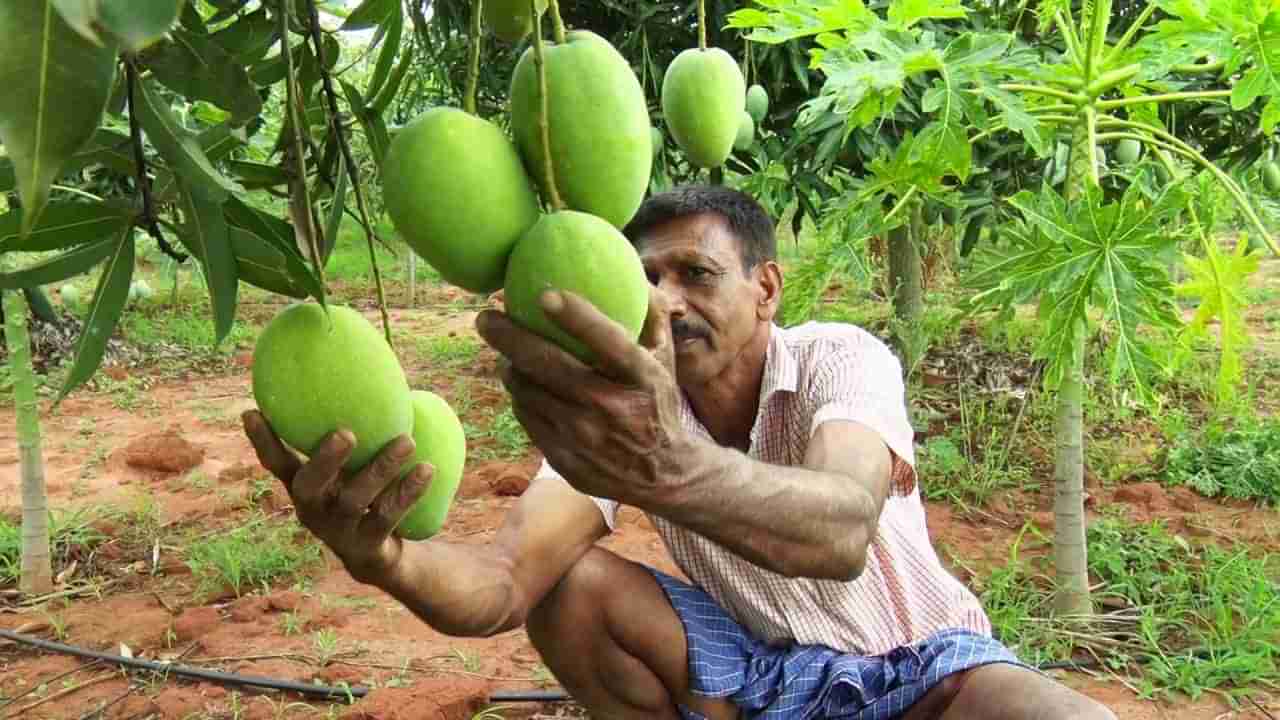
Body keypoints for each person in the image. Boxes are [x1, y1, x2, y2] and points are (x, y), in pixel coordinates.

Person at [242, 185, 1116, 720]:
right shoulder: (630, 419)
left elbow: (843, 526)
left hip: (926, 672)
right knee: (569, 588)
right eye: (645, 278)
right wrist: (385, 559)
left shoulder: (837, 358)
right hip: (772, 680)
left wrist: (668, 464)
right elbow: (506, 581)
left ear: (766, 288)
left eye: (695, 273)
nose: (665, 302)